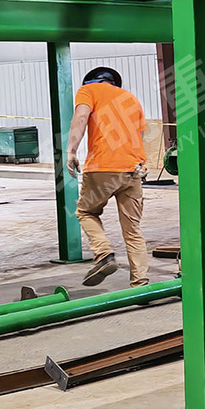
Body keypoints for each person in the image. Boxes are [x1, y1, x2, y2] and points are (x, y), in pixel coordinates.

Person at [66, 66, 149, 287]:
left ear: (92, 81)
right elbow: (140, 135)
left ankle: (104, 254)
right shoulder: (131, 98)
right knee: (132, 230)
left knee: (85, 211)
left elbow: (81, 117)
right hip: (134, 169)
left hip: (103, 167)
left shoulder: (88, 91)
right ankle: (140, 284)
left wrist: (71, 151)